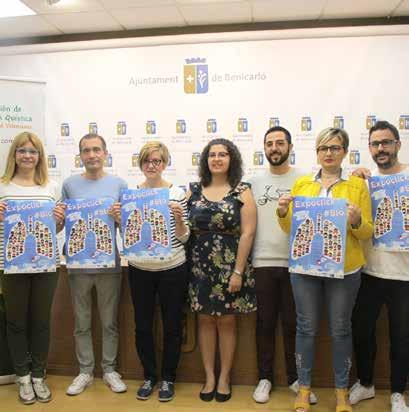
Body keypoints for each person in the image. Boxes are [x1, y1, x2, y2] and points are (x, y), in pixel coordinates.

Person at [277, 127, 373, 412]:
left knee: (341, 329)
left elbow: (367, 232)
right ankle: (304, 390)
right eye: (323, 148)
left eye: (335, 148)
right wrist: (282, 212)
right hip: (305, 268)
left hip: (345, 270)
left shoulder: (356, 186)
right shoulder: (303, 184)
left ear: (344, 152)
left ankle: (341, 393)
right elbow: (291, 228)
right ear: (317, 152)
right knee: (306, 328)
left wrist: (356, 221)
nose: (329, 153)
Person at [112, 141, 189, 402]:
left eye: (157, 160)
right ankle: (149, 376)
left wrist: (179, 219)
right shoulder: (132, 194)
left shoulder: (176, 193)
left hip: (173, 268)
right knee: (143, 326)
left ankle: (168, 378)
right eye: (147, 161)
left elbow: (185, 237)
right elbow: (130, 236)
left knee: (172, 326)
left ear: (165, 163)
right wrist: (120, 220)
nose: (151, 165)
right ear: (140, 164)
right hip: (140, 269)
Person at [250, 126, 317, 405]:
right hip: (262, 261)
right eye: (269, 143)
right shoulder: (252, 182)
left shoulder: (306, 179)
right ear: (264, 148)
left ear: (290, 147)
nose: (274, 148)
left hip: (297, 263)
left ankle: (296, 379)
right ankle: (264, 378)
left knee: (293, 325)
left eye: (280, 143)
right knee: (265, 323)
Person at [188, 138, 257, 402]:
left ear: (232, 159)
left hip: (230, 266)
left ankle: (224, 378)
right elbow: (183, 227)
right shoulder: (194, 190)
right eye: (212, 155)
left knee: (227, 322)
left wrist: (238, 272)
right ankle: (209, 377)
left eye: (223, 154)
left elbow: (248, 233)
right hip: (199, 267)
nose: (217, 159)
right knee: (205, 321)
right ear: (206, 160)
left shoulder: (242, 190)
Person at [0, 131, 65, 404]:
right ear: (14, 154)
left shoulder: (51, 187)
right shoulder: (2, 186)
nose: (27, 156)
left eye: (33, 151)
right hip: (11, 265)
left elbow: (56, 229)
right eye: (22, 150)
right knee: (15, 322)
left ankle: (39, 375)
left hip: (45, 265)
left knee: (41, 322)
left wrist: (59, 221)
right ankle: (22, 377)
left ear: (40, 156)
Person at [349, 121, 409, 412]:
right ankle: (366, 383)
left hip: (405, 274)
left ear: (398, 144)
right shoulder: (363, 181)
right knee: (361, 331)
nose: (381, 148)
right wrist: (353, 179)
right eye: (375, 144)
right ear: (370, 148)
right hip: (369, 271)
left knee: (402, 336)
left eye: (386, 142)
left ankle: (397, 392)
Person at [62, 133, 128, 396]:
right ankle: (85, 372)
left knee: (109, 322)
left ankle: (110, 370)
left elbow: (128, 226)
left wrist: (121, 217)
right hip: (78, 265)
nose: (92, 155)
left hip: (109, 264)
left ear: (105, 153)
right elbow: (61, 223)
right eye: (86, 150)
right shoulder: (69, 184)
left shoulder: (119, 184)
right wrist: (57, 217)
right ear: (80, 155)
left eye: (96, 150)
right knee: (81, 323)